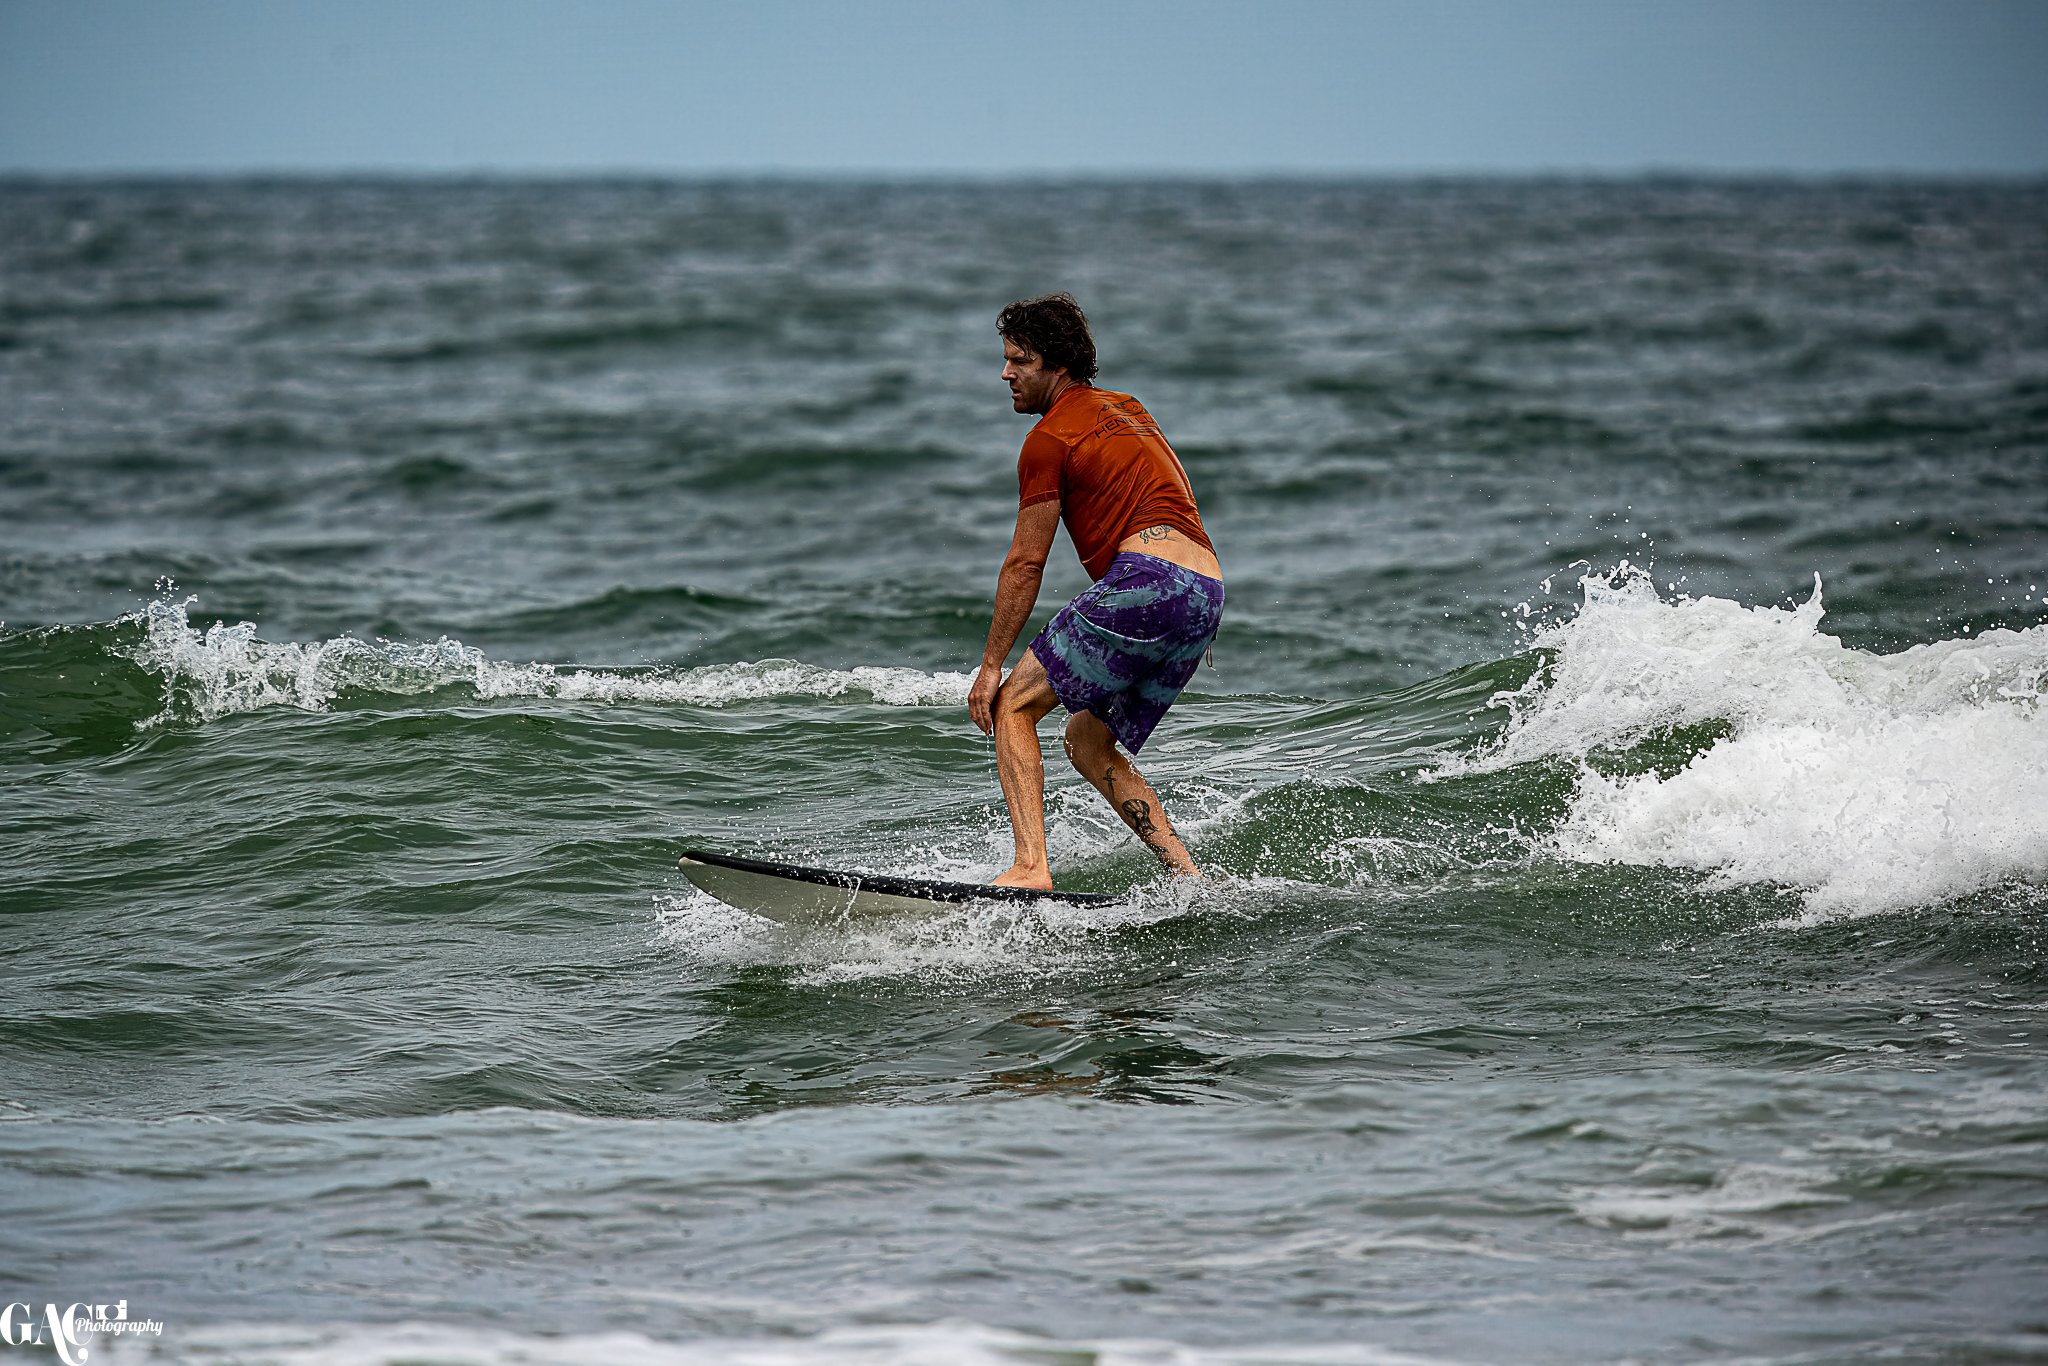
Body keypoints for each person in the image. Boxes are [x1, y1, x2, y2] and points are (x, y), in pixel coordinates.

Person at [966, 293, 1225, 889]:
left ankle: (1031, 867)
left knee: (1013, 704)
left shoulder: (1048, 440)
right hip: (1205, 591)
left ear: (1057, 366)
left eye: (1019, 361)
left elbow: (1026, 562)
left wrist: (988, 666)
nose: (1005, 373)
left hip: (1150, 581)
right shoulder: (1129, 409)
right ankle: (1191, 879)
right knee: (1086, 740)